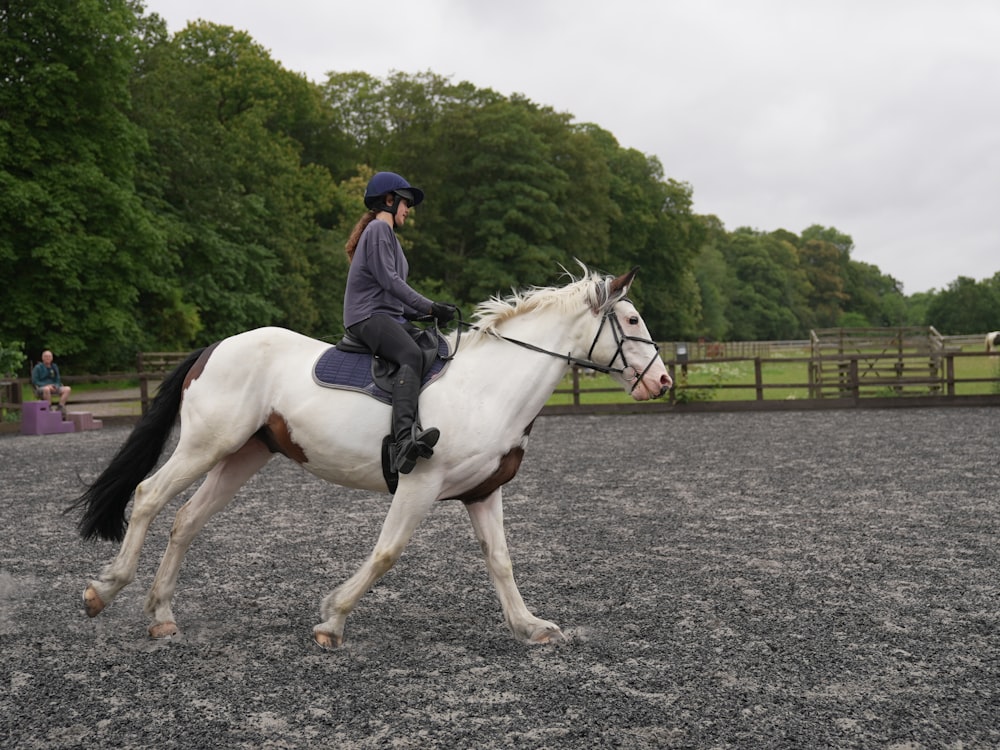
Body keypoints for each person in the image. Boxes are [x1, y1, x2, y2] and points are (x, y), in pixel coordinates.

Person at [343, 171, 457, 474]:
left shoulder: (388, 236)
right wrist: (429, 304)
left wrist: (426, 314)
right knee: (411, 354)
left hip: (386, 314)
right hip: (367, 316)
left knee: (434, 347)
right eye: (406, 202)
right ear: (389, 200)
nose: (408, 209)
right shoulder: (379, 229)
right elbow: (390, 282)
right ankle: (403, 442)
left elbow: (393, 296)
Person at [31, 350, 71, 417]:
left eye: (49, 356)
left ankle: (60, 407)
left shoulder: (54, 367)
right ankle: (48, 408)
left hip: (54, 387)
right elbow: (35, 381)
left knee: (67, 389)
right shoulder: (37, 368)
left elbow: (58, 379)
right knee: (47, 389)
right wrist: (47, 386)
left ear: (52, 358)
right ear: (42, 358)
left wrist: (55, 386)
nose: (48, 358)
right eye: (46, 356)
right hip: (41, 388)